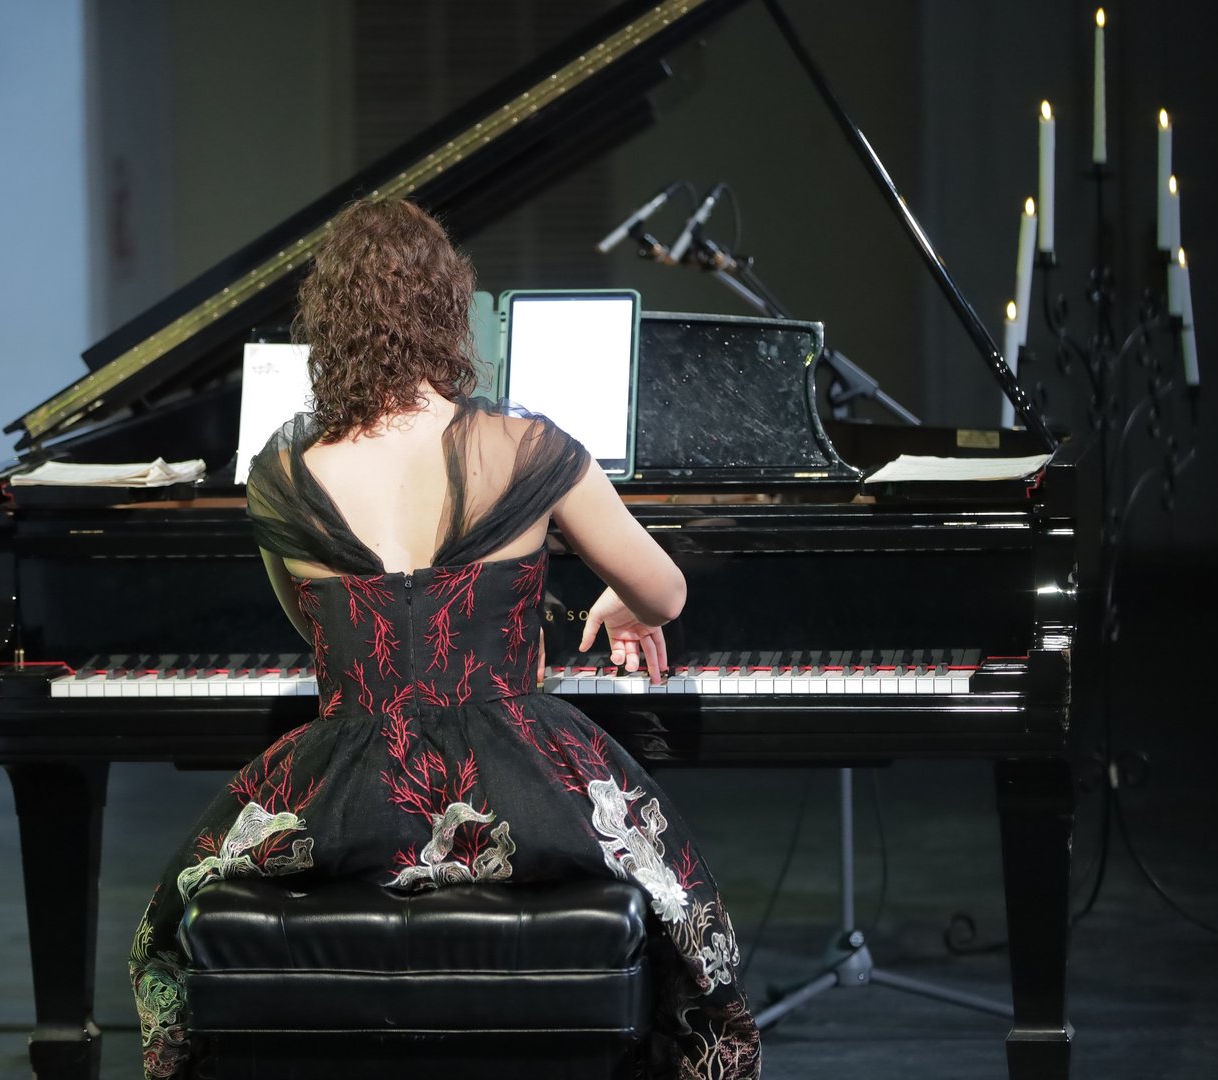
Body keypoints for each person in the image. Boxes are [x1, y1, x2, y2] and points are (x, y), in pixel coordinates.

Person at [128, 197, 761, 1079]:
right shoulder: (529, 448)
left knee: (164, 926)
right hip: (519, 786)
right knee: (680, 912)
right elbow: (665, 591)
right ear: (449, 309)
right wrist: (623, 601)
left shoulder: (281, 472)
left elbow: (315, 632)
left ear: (330, 324)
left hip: (345, 794)